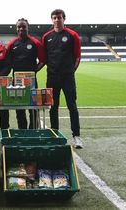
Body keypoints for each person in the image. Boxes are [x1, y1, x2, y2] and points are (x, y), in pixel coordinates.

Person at [41, 9, 83, 148]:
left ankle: (76, 136)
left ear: (64, 18)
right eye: (54, 18)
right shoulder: (47, 37)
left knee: (72, 106)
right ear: (51, 20)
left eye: (59, 17)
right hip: (52, 77)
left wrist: (70, 71)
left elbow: (77, 57)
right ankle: (55, 134)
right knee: (53, 107)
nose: (57, 20)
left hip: (67, 77)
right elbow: (45, 58)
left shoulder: (72, 35)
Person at [6, 18, 46, 129]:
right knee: (19, 107)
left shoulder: (35, 42)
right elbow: (7, 62)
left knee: (33, 107)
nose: (21, 29)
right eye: (19, 27)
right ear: (16, 28)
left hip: (31, 81)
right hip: (16, 82)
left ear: (28, 27)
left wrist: (34, 71)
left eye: (24, 26)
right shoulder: (12, 44)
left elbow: (43, 60)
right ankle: (22, 130)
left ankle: (33, 130)